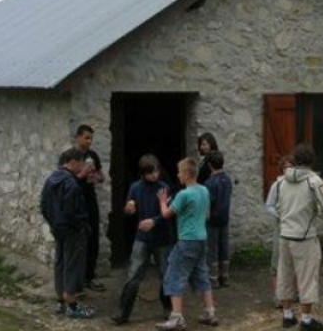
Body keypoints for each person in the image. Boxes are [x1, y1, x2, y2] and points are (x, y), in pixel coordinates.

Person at [271, 144, 323, 330]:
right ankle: (306, 319)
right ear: (311, 161)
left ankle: (287, 315)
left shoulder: (281, 181)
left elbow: (277, 206)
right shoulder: (314, 181)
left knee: (284, 274)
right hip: (305, 237)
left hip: (284, 235)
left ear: (295, 159)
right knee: (307, 278)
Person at [156, 157, 218, 330]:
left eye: (179, 172)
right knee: (201, 275)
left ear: (186, 174)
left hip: (187, 240)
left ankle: (176, 317)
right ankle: (210, 311)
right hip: (201, 238)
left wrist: (162, 201)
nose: (177, 175)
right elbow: (206, 215)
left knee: (174, 275)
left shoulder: (184, 194)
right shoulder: (204, 190)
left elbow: (166, 214)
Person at [111, 154, 174, 325]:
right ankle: (122, 312)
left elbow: (169, 214)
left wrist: (154, 220)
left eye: (156, 171)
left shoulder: (164, 187)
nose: (154, 175)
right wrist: (128, 209)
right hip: (143, 238)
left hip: (163, 238)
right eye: (150, 173)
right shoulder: (135, 188)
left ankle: (168, 309)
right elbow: (127, 211)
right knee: (133, 275)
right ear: (143, 173)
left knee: (165, 275)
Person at [40, 148, 96, 319]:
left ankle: (60, 301)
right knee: (72, 264)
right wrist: (83, 226)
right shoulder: (71, 183)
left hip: (57, 228)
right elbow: (73, 211)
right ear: (72, 161)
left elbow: (43, 205)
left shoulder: (50, 180)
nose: (82, 167)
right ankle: (71, 303)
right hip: (72, 230)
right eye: (80, 163)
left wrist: (53, 224)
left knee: (60, 262)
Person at [74, 124, 106, 291]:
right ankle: (76, 279)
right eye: (86, 138)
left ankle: (90, 276)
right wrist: (82, 173)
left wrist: (95, 176)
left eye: (91, 138)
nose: (89, 141)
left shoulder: (92, 155)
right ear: (78, 137)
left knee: (93, 236)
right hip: (75, 200)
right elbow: (66, 179)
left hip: (90, 199)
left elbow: (102, 177)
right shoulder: (70, 156)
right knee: (78, 238)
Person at [265, 153, 294, 306]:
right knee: (277, 262)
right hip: (281, 227)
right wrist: (279, 215)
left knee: (293, 261)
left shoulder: (298, 185)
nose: (287, 170)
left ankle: (291, 294)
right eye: (285, 168)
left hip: (295, 227)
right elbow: (269, 205)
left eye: (290, 167)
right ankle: (278, 297)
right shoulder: (277, 185)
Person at [204, 150, 233, 288]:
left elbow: (208, 203)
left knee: (212, 249)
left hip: (212, 220)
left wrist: (205, 217)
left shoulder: (209, 183)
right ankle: (225, 277)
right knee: (224, 247)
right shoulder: (227, 180)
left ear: (209, 165)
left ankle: (213, 278)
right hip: (225, 218)